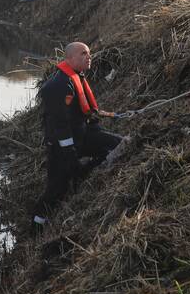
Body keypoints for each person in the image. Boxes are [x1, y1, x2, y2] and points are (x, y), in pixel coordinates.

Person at [30, 41, 125, 229]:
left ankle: (83, 173)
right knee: (56, 189)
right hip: (61, 146)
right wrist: (69, 152)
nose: (89, 56)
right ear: (70, 58)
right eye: (83, 54)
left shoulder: (77, 77)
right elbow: (59, 124)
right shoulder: (58, 86)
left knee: (119, 144)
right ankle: (36, 227)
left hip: (81, 136)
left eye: (89, 53)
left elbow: (82, 114)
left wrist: (101, 126)